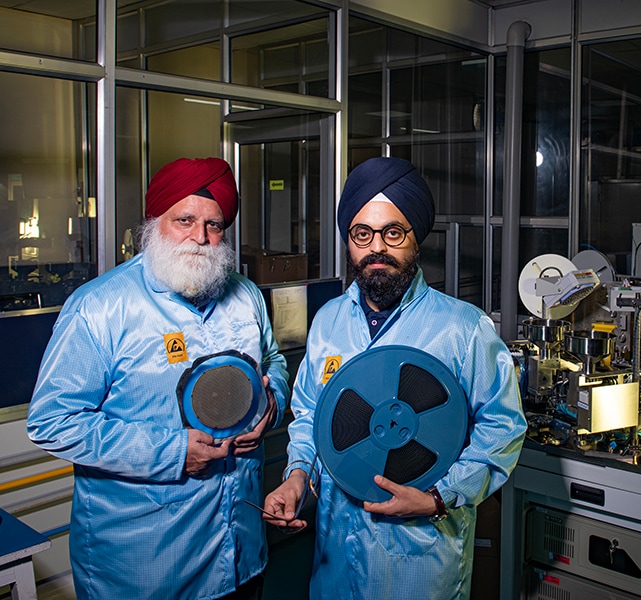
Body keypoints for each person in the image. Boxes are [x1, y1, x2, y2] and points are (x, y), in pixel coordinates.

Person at [263, 156, 526, 599]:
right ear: (349, 240)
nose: (376, 248)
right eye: (362, 234)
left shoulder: (462, 328)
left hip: (419, 562)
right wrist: (296, 476)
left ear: (416, 239)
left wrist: (439, 497)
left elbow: (502, 428)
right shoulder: (328, 321)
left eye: (393, 233)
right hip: (337, 559)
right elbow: (309, 415)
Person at [27, 157, 289, 600]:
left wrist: (271, 403)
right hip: (145, 570)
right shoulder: (101, 307)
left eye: (214, 225)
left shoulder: (244, 296)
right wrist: (171, 452)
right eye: (184, 220)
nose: (199, 238)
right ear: (154, 222)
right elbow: (52, 421)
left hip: (240, 554)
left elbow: (274, 362)